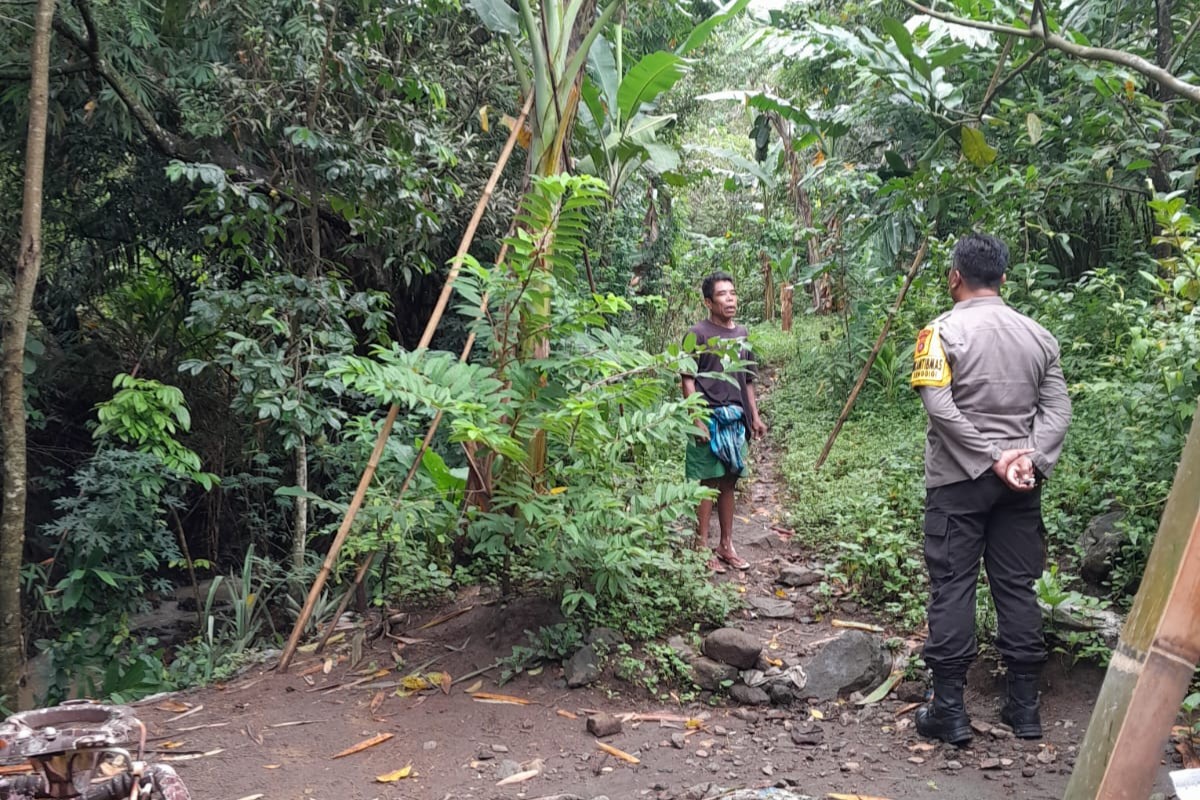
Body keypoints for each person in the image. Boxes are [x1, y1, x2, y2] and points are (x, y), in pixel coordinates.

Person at [910, 233, 1071, 746]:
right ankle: (1024, 709)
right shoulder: (1039, 336)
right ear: (1004, 278)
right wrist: (1029, 458)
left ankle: (950, 712)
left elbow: (939, 408)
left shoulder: (936, 334)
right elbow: (1058, 412)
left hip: (958, 481)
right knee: (1018, 587)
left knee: (953, 586)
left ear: (955, 276)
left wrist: (989, 457)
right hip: (1019, 486)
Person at [681, 271, 767, 574]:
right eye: (722, 294)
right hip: (710, 416)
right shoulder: (698, 334)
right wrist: (697, 419)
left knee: (729, 481)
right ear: (708, 301)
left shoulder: (742, 333)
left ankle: (726, 544)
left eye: (732, 293)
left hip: (736, 420)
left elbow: (749, 381)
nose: (730, 299)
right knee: (708, 482)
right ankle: (701, 547)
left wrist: (754, 416)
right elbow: (688, 379)